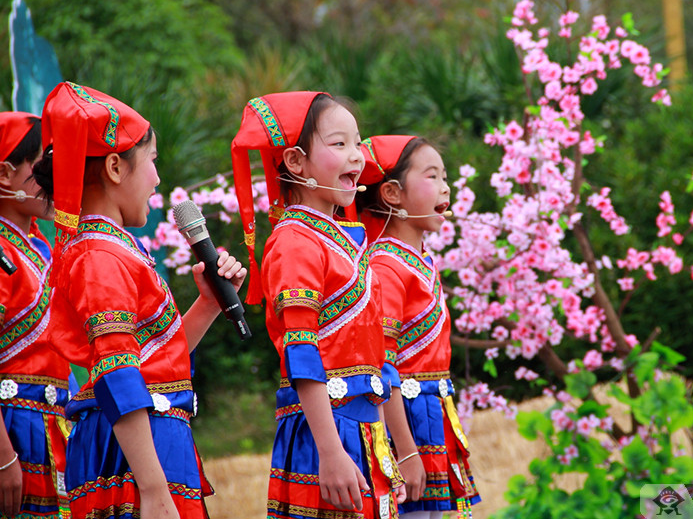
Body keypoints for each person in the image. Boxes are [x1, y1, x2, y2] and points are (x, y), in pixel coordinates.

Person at [34, 82, 246, 519]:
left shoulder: (113, 248)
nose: (158, 178)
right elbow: (117, 373)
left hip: (145, 442)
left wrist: (207, 303)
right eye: (152, 161)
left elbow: (154, 361)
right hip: (133, 456)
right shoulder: (99, 255)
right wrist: (152, 488)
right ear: (115, 166)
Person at [231, 92, 401, 519]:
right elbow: (300, 350)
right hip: (327, 432)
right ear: (294, 162)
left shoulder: (342, 237)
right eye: (339, 144)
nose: (357, 156)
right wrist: (330, 450)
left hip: (364, 430)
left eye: (358, 144)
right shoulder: (293, 241)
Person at [355, 136, 479, 519]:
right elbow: (382, 366)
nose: (446, 188)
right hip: (403, 422)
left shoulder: (419, 261)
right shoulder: (386, 269)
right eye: (432, 176)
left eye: (446, 177)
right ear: (392, 193)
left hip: (429, 414)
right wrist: (406, 452)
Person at [0, 111, 71, 518]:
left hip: (51, 428)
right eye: (41, 167)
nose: (52, 180)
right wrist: (4, 457)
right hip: (12, 431)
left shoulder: (44, 248)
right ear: (5, 174)